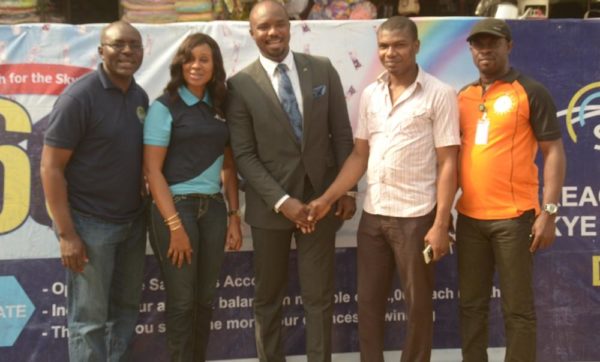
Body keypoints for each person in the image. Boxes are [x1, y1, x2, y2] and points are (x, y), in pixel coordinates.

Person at [307, 16, 460, 362]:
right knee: (368, 307)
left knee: (418, 308)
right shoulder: (371, 94)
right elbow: (360, 155)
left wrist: (439, 224)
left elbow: (449, 162)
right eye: (384, 46)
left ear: (416, 47)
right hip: (373, 218)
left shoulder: (440, 93)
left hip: (416, 219)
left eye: (399, 45)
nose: (390, 53)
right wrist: (327, 198)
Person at [225, 1, 356, 360]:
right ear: (252, 33)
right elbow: (244, 156)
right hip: (272, 211)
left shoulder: (322, 70)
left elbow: (341, 135)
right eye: (263, 27)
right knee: (268, 299)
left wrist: (346, 191)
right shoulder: (238, 86)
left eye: (279, 24)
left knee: (319, 298)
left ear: (290, 26)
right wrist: (284, 203)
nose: (273, 33)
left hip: (321, 204)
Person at [456, 18, 566, 362]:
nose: (485, 49)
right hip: (469, 219)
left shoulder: (530, 91)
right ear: (471, 51)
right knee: (471, 307)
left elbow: (554, 153)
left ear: (509, 46)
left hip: (514, 220)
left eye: (493, 43)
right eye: (478, 44)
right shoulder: (463, 96)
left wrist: (548, 212)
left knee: (517, 310)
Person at [40, 21, 148, 361]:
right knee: (89, 321)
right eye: (118, 45)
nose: (127, 51)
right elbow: (50, 167)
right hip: (90, 227)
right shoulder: (79, 97)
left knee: (126, 311)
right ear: (101, 50)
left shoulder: (139, 95)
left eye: (134, 44)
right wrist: (67, 234)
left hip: (132, 224)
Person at [143, 33, 242, 361]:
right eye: (190, 59)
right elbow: (152, 172)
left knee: (204, 299)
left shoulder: (220, 106)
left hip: (214, 210)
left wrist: (233, 216)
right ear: (180, 64)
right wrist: (174, 227)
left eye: (204, 59)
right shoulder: (165, 106)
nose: (196, 65)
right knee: (182, 301)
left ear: (215, 67)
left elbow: (229, 164)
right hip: (175, 210)